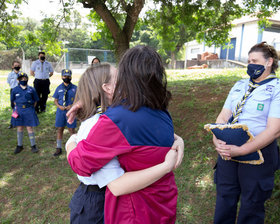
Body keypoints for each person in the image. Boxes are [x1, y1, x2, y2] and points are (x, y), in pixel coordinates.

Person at [67, 46, 180, 224]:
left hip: (134, 211)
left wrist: (71, 142)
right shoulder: (161, 112)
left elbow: (80, 163)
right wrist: (178, 139)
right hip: (163, 205)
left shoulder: (117, 120)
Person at [212, 41, 280, 224]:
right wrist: (216, 137)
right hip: (227, 151)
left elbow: (274, 131)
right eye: (249, 61)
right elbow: (223, 116)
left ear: (269, 62)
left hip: (258, 153)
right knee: (224, 199)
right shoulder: (239, 85)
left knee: (252, 204)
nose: (250, 64)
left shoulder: (277, 89)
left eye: (255, 60)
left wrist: (243, 150)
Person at [11, 72, 39, 154]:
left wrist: (30, 108)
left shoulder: (31, 89)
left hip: (29, 110)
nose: (23, 80)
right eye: (21, 79)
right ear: (18, 80)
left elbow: (35, 100)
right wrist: (17, 109)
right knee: (20, 128)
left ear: (27, 79)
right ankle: (20, 145)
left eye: (25, 79)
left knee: (29, 128)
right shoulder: (15, 90)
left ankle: (33, 145)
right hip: (19, 111)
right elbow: (13, 101)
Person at [52, 69, 77, 156]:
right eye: (65, 76)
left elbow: (79, 99)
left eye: (68, 76)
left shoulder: (75, 88)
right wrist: (59, 106)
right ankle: (59, 148)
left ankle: (75, 147)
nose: (66, 78)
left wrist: (72, 105)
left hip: (71, 111)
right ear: (62, 77)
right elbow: (55, 100)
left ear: (71, 77)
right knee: (60, 129)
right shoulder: (59, 88)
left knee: (71, 129)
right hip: (61, 112)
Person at [7, 60, 21, 129]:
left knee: (20, 106)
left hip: (21, 91)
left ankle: (21, 122)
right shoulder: (10, 74)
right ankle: (13, 122)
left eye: (18, 66)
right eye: (15, 66)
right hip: (13, 91)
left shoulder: (22, 74)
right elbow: (9, 82)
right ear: (12, 67)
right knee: (14, 107)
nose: (17, 67)